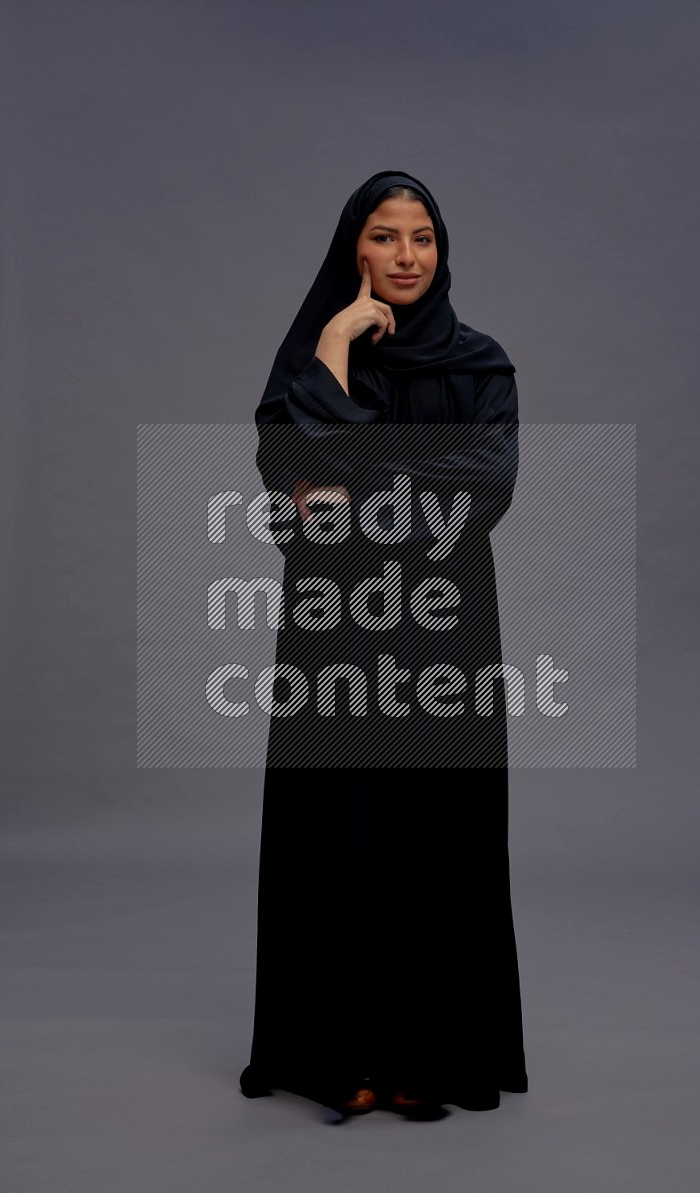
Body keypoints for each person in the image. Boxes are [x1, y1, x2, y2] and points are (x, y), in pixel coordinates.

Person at [239, 170, 528, 1121]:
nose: (406, 255)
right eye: (385, 236)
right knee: (340, 833)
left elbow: (477, 495)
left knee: (435, 835)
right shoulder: (306, 362)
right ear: (352, 250)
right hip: (335, 640)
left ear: (441, 251)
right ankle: (342, 1054)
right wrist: (330, 346)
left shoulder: (482, 366)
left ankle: (426, 1057)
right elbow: (293, 503)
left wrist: (353, 489)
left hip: (446, 637)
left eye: (423, 238)